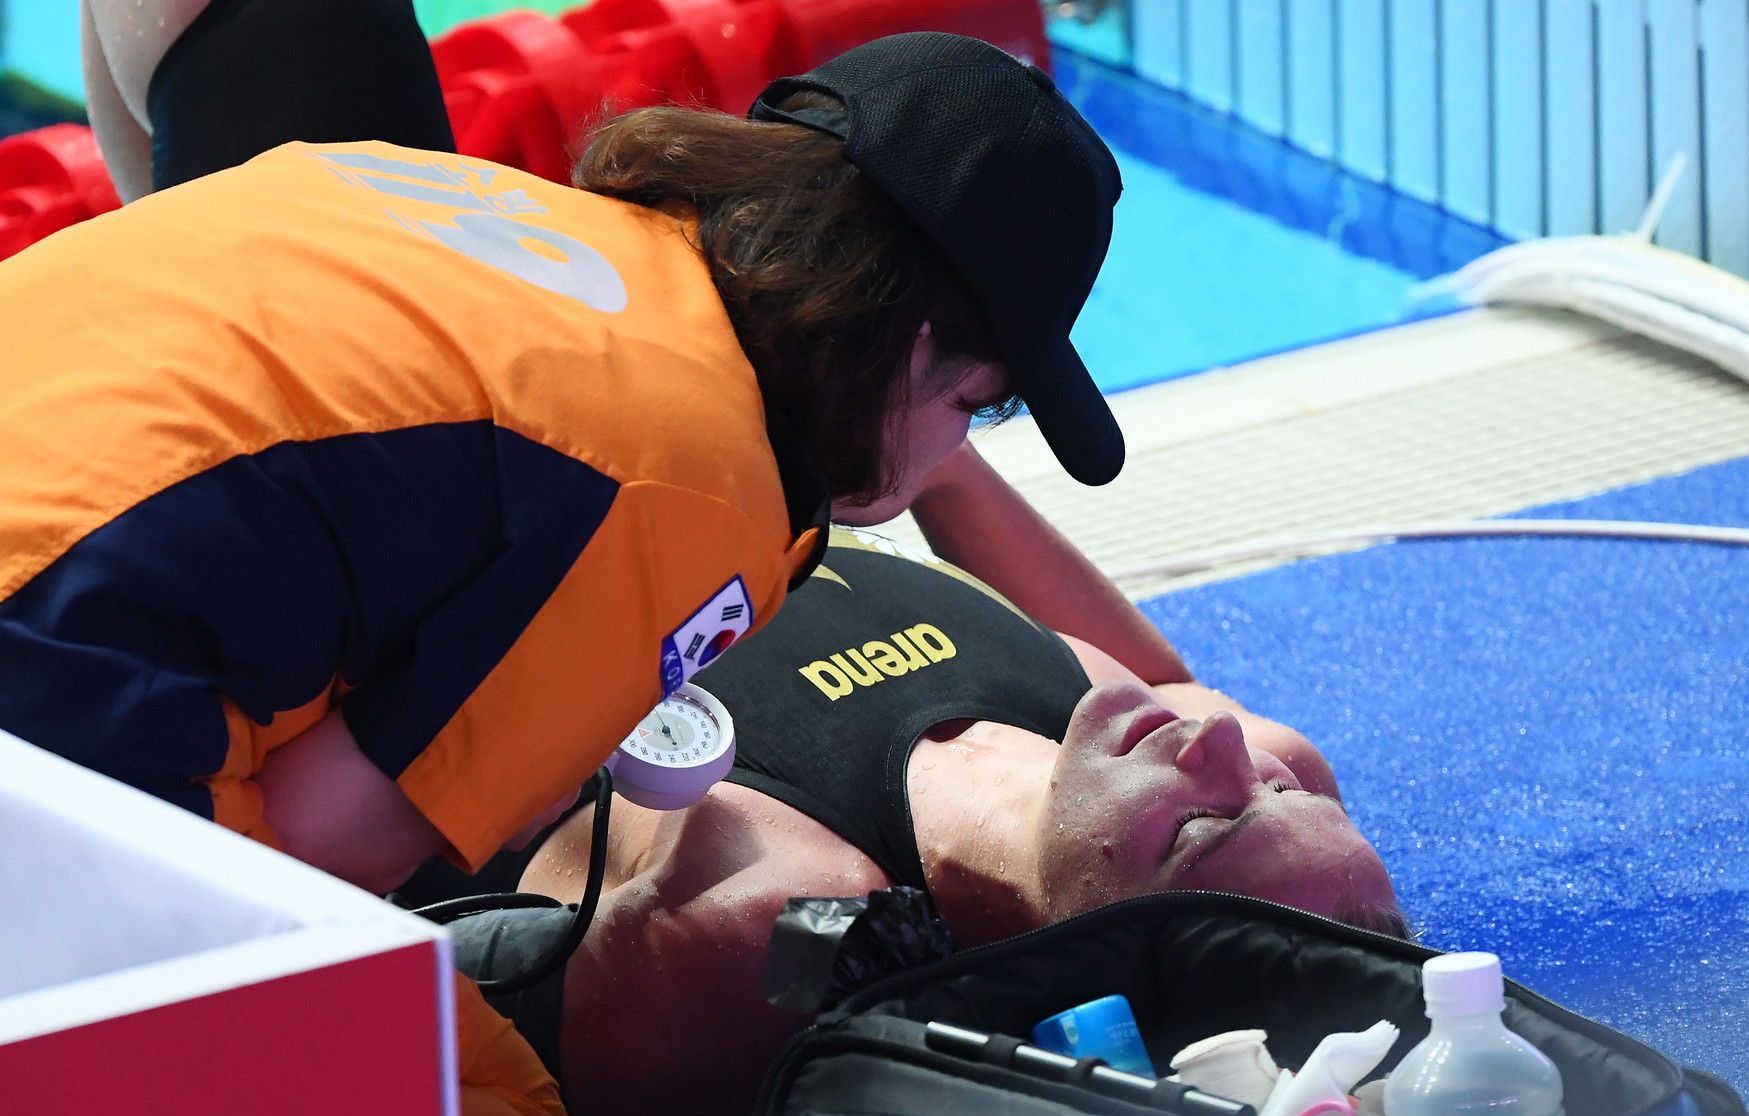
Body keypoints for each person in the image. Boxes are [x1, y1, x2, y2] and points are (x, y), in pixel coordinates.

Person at [26, 0, 1125, 896]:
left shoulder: (467, 195)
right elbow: (313, 861)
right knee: (475, 1085)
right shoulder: (701, 486)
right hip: (46, 675)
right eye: (982, 406)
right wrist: (506, 768)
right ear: (920, 348)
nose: (957, 445)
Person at [414, 444, 1405, 1116]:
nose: (1224, 746)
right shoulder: (1144, 742)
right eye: (1280, 790)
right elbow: (1166, 680)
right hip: (672, 446)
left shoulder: (781, 917)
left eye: (1202, 824)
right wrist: (932, 459)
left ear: (1106, 943)